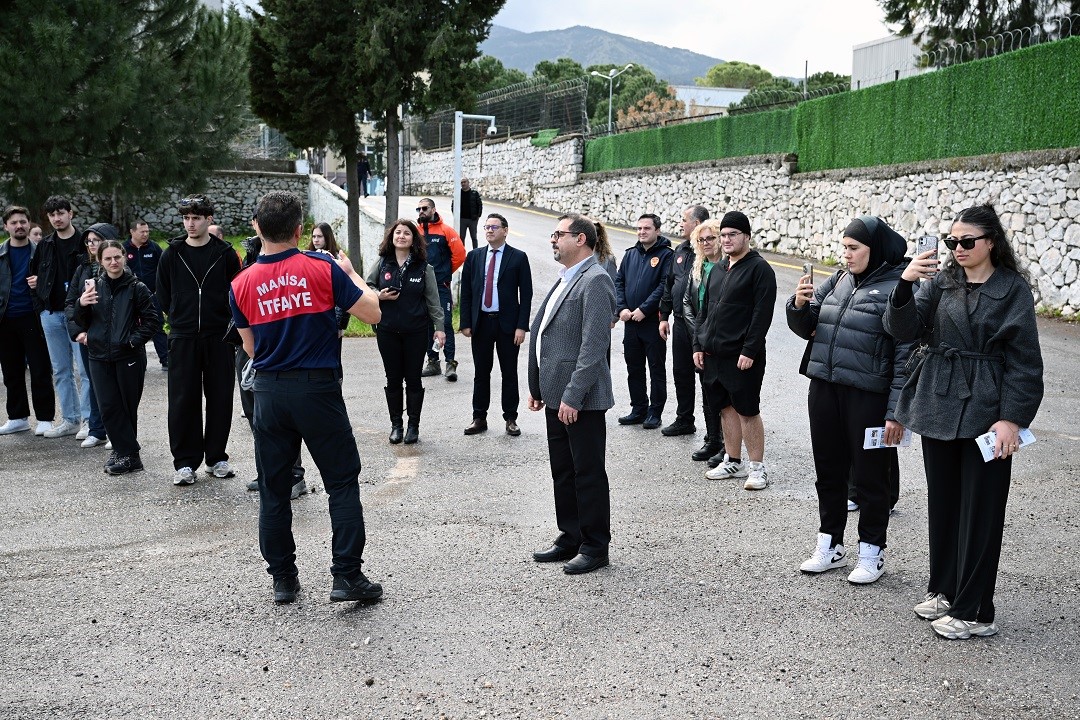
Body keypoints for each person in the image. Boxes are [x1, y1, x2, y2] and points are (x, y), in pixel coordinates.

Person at [884, 203, 1043, 640]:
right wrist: (905, 283)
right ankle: (945, 590)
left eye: (967, 241)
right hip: (938, 400)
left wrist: (1011, 420)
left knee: (982, 510)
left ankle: (976, 611)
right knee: (944, 503)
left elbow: (1025, 362)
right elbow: (903, 329)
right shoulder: (942, 281)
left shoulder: (1012, 289)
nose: (958, 248)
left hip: (986, 407)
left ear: (991, 242)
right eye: (952, 241)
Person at [230, 190, 383, 605]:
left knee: (274, 489)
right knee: (341, 482)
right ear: (299, 230)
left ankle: (283, 579)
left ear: (257, 228)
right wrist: (351, 273)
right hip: (317, 388)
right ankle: (346, 574)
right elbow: (373, 312)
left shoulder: (241, 283)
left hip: (269, 391)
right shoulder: (322, 266)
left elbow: (250, 348)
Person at [787, 215, 913, 585]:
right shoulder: (840, 279)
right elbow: (808, 326)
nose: (846, 254)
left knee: (871, 478)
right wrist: (798, 305)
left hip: (868, 395)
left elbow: (906, 353)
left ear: (876, 249)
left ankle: (872, 552)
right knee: (828, 472)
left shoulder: (900, 285)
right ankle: (830, 544)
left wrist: (896, 412)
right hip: (825, 387)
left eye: (854, 248)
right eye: (844, 247)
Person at [528, 213, 617, 576]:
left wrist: (573, 396)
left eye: (559, 234)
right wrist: (537, 386)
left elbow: (594, 347)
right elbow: (545, 334)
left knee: (587, 473)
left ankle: (595, 546)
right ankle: (571, 536)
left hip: (580, 399)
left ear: (580, 239)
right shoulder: (567, 277)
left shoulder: (595, 279)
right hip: (556, 394)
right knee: (563, 472)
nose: (553, 239)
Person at [157, 194, 242, 486]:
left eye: (196, 218)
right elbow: (163, 294)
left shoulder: (225, 253)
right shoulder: (172, 254)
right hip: (183, 337)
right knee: (183, 400)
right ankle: (184, 462)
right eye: (186, 218)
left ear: (209, 219)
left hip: (218, 337)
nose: (190, 224)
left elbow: (236, 292)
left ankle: (216, 457)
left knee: (220, 398)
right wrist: (179, 317)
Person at [694, 211, 777, 491]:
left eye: (733, 234)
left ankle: (757, 468)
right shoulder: (718, 268)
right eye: (723, 235)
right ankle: (733, 461)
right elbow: (704, 311)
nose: (726, 240)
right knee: (725, 408)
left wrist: (750, 350)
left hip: (742, 356)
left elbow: (762, 315)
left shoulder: (760, 269)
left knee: (747, 410)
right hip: (714, 355)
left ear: (747, 237)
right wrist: (698, 345)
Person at [71, 239, 160, 475]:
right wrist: (81, 304)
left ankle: (128, 455)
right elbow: (80, 321)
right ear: (100, 261)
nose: (113, 262)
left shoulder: (136, 287)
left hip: (128, 356)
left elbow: (153, 321)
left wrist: (131, 341)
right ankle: (125, 452)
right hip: (98, 355)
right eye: (108, 258)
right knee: (108, 407)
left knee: (126, 407)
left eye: (117, 257)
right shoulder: (93, 288)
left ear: (124, 257)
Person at [235, 229, 308, 499]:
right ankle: (267, 472)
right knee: (257, 417)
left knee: (284, 419)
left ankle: (294, 476)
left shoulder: (288, 264)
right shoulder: (248, 262)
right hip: (247, 348)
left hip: (274, 354)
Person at [366, 219, 444, 445]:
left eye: (406, 233)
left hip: (416, 332)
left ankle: (413, 426)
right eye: (398, 232)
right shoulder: (382, 263)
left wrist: (440, 329)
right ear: (392, 237)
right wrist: (378, 295)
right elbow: (367, 286)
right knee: (393, 379)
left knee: (413, 379)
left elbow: (434, 302)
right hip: (387, 331)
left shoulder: (424, 268)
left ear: (413, 239)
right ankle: (396, 425)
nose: (401, 236)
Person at [459, 213, 533, 436]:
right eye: (486, 227)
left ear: (505, 231)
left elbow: (526, 295)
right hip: (481, 322)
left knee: (509, 372)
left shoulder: (518, 257)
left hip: (508, 325)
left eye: (494, 227)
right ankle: (479, 417)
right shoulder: (474, 256)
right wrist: (466, 322)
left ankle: (511, 418)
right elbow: (467, 292)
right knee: (481, 373)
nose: (489, 231)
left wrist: (521, 326)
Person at [28, 195, 90, 439]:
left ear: (70, 213)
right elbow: (33, 279)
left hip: (78, 314)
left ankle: (89, 420)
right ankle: (70, 419)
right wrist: (41, 308)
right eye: (52, 215)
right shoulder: (45, 245)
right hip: (51, 313)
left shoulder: (85, 242)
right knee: (61, 370)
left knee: (85, 370)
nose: (57, 218)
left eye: (61, 213)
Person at [0, 206, 55, 436]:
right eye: (14, 222)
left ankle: (45, 418)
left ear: (29, 223)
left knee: (40, 370)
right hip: (5, 319)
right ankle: (17, 417)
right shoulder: (1, 253)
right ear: (6, 226)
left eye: (23, 222)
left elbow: (53, 281)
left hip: (34, 316)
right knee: (11, 371)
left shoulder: (41, 252)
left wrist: (40, 281)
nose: (19, 226)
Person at [615, 213, 673, 430]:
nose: (642, 232)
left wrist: (644, 310)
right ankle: (638, 409)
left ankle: (655, 413)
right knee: (634, 368)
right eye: (639, 228)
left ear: (657, 230)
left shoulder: (666, 255)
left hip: (652, 323)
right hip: (630, 322)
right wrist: (622, 308)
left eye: (647, 228)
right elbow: (619, 282)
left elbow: (664, 286)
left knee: (656, 369)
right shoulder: (630, 254)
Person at [660, 205, 709, 440]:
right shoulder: (680, 250)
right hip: (679, 322)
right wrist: (664, 316)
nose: (681, 224)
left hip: (702, 325)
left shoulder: (708, 251)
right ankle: (684, 420)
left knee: (706, 376)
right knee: (681, 372)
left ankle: (715, 431)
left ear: (696, 223)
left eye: (684, 220)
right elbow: (669, 284)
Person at [65, 224, 115, 449]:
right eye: (88, 241)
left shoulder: (118, 267)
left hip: (114, 337)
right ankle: (96, 430)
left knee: (114, 386)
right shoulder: (82, 269)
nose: (91, 244)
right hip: (89, 337)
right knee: (94, 383)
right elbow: (70, 303)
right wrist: (79, 331)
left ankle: (116, 431)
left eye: (96, 240)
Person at [680, 219, 726, 465]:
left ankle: (728, 445)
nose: (706, 243)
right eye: (701, 240)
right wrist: (698, 335)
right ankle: (713, 439)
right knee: (707, 391)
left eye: (710, 238)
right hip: (701, 338)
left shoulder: (727, 267)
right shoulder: (698, 267)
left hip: (721, 340)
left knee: (724, 395)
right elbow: (687, 301)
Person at [416, 198, 465, 381]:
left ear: (433, 209)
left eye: (425, 208)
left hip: (440, 286)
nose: (421, 211)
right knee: (427, 323)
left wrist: (444, 273)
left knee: (444, 323)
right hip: (421, 286)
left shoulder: (446, 231)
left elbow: (459, 255)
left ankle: (450, 363)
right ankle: (433, 362)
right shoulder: (416, 231)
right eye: (419, 209)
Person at [123, 219, 168, 370]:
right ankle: (133, 360)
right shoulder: (123, 249)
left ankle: (166, 359)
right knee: (132, 328)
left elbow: (163, 269)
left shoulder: (154, 248)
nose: (145, 234)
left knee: (157, 326)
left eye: (147, 231)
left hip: (152, 295)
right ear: (132, 232)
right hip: (131, 296)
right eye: (142, 231)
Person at [456, 178, 484, 250]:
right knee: (461, 237)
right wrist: (456, 216)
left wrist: (478, 216)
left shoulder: (474, 193)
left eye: (464, 182)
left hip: (473, 220)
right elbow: (454, 205)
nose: (463, 184)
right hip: (462, 219)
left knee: (474, 237)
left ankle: (476, 252)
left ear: (468, 183)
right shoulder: (458, 194)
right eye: (462, 182)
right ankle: (462, 252)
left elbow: (479, 204)